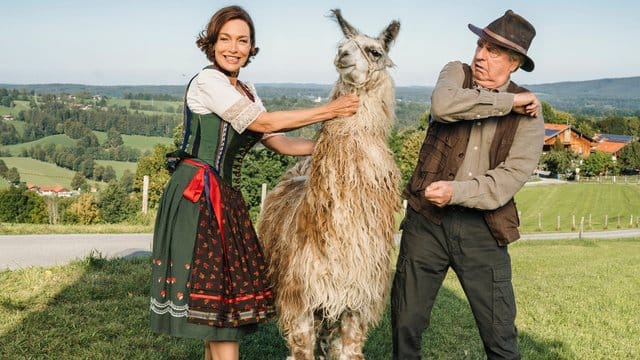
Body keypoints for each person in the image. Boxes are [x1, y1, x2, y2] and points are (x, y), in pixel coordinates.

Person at [149, 5, 358, 360]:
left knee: (219, 307)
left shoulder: (245, 89)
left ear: (251, 47)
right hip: (197, 195)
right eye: (225, 39)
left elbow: (280, 142)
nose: (233, 47)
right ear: (211, 43)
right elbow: (262, 123)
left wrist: (330, 145)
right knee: (222, 311)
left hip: (225, 197)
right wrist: (330, 110)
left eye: (242, 40)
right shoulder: (207, 82)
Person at [391, 10, 544, 360]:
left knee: (500, 337)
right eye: (480, 44)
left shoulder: (532, 118)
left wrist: (455, 192)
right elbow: (443, 106)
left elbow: (506, 182)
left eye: (493, 51)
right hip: (426, 224)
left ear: (515, 62)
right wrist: (508, 102)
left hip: (483, 231)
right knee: (405, 325)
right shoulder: (455, 74)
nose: (479, 55)